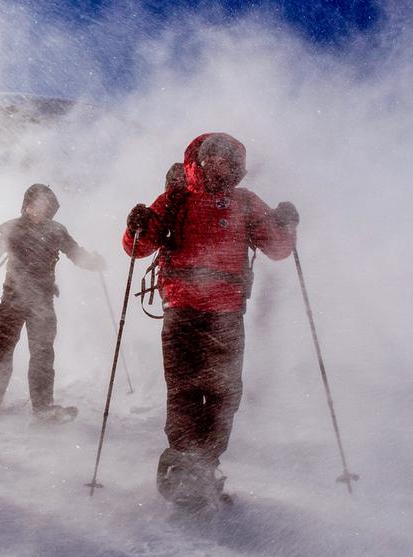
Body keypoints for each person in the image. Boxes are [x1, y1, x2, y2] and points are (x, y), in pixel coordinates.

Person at [122, 133, 299, 506]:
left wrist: (286, 226)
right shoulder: (176, 198)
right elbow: (138, 246)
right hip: (184, 310)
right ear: (199, 160)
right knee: (187, 388)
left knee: (223, 393)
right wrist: (136, 223)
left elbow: (278, 249)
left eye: (228, 160)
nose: (220, 165)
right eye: (213, 158)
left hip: (227, 313)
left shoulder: (246, 203)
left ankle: (201, 465)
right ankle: (186, 464)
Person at [0, 184, 106, 424]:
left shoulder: (55, 230)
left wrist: (94, 262)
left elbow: (75, 253)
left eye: (45, 205)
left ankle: (42, 408)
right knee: (4, 348)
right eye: (35, 204)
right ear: (25, 205)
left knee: (41, 353)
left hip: (41, 301)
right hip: (13, 299)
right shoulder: (11, 228)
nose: (39, 209)